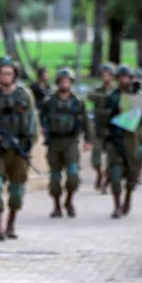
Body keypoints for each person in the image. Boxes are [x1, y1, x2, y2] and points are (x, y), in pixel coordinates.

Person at [0, 57, 39, 240]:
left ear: (15, 75)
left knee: (17, 192)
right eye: (2, 73)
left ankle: (11, 224)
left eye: (9, 73)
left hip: (18, 149)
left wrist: (28, 144)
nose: (6, 76)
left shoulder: (24, 95)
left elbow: (32, 122)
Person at [39, 69, 92, 218]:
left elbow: (86, 121)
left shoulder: (77, 101)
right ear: (57, 83)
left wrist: (88, 139)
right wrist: (43, 129)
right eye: (62, 81)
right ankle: (56, 206)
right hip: (54, 141)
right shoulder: (49, 101)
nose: (65, 83)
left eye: (68, 81)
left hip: (71, 141)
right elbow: (42, 117)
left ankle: (69, 201)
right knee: (55, 177)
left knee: (73, 174)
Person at [103, 65, 142, 218]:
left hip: (131, 140)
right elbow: (103, 117)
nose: (123, 80)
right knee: (115, 174)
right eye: (121, 77)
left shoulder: (137, 94)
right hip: (115, 139)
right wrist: (114, 112)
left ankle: (128, 197)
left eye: (126, 77)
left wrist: (138, 98)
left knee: (131, 175)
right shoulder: (112, 96)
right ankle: (116, 206)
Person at [88, 63, 116, 193]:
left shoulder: (117, 91)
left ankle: (106, 183)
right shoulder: (98, 90)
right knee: (96, 158)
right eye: (103, 74)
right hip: (99, 128)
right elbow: (90, 95)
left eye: (108, 75)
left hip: (112, 129)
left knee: (112, 159)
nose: (105, 77)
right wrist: (106, 99)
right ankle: (99, 173)